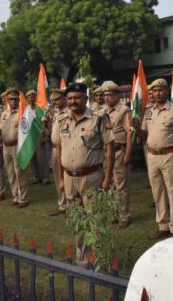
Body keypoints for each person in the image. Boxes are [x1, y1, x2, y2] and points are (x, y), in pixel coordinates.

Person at [51, 83, 115, 265]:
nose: (73, 101)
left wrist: (107, 179)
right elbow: (58, 151)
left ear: (85, 99)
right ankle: (83, 258)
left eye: (77, 97)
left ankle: (100, 258)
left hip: (92, 177)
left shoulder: (99, 118)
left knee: (95, 219)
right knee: (78, 221)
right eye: (70, 98)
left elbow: (109, 149)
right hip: (69, 177)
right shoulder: (61, 120)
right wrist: (61, 180)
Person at [131, 78, 173, 239]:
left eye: (161, 90)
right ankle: (163, 225)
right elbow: (144, 136)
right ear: (151, 93)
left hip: (170, 154)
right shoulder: (148, 111)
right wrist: (137, 127)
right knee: (157, 191)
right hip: (152, 155)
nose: (158, 93)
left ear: (167, 91)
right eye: (154, 90)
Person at [102, 81, 133, 229]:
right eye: (105, 95)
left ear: (117, 95)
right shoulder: (102, 111)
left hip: (119, 151)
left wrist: (128, 153)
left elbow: (129, 132)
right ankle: (113, 213)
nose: (107, 98)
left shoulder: (123, 110)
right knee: (109, 185)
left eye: (110, 95)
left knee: (121, 185)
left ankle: (124, 216)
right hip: (106, 153)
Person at [0, 88, 29, 208]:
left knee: (20, 173)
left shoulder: (22, 112)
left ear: (19, 100)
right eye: (10, 99)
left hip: (17, 146)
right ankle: (15, 196)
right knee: (10, 173)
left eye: (15, 99)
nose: (13, 101)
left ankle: (23, 198)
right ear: (7, 100)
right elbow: (1, 128)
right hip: (5, 147)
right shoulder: (4, 113)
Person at [47, 88, 68, 216]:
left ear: (64, 98)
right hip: (55, 148)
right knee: (57, 177)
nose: (55, 102)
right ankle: (62, 204)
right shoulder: (56, 112)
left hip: (65, 149)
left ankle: (71, 205)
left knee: (67, 177)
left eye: (57, 99)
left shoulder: (68, 112)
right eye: (53, 100)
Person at [26, 89, 50, 185]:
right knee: (33, 158)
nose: (31, 98)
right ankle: (37, 176)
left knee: (42, 158)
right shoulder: (25, 109)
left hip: (39, 136)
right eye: (29, 97)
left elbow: (44, 122)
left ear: (35, 97)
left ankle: (45, 177)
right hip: (29, 137)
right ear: (27, 98)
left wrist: (43, 135)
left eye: (33, 96)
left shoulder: (39, 108)